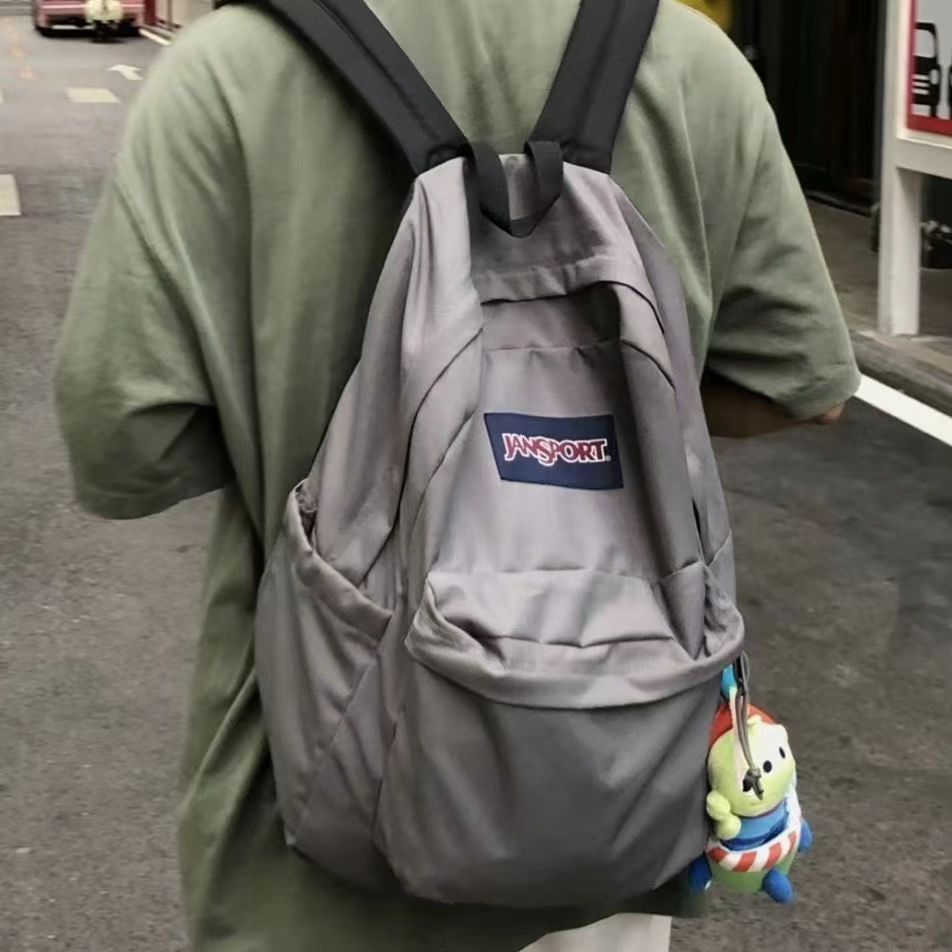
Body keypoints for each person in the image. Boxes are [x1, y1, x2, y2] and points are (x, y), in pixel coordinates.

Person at [53, 1, 859, 950]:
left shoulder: (225, 73)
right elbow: (800, 385)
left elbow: (125, 445)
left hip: (310, 835)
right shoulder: (692, 64)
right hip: (614, 797)